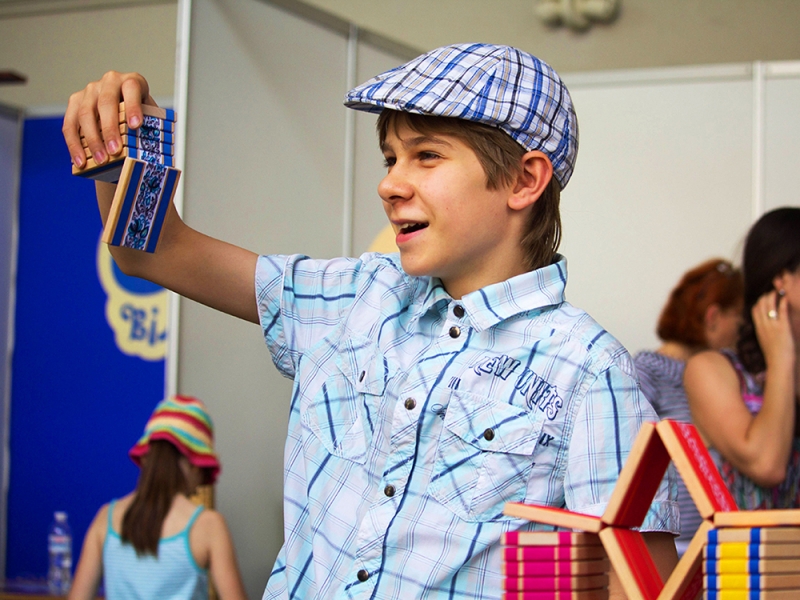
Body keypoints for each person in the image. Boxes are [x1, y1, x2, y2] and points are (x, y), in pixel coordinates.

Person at [63, 43, 678, 599]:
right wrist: (126, 153)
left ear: (524, 180)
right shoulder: (356, 298)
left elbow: (641, 585)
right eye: (390, 158)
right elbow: (151, 252)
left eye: (426, 156)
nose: (389, 184)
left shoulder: (590, 369)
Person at [67, 395, 247, 600]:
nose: (200, 485)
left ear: (146, 458)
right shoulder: (209, 526)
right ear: (194, 465)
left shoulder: (105, 519)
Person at [685, 207, 800, 510]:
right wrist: (781, 358)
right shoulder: (710, 370)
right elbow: (766, 464)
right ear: (781, 279)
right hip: (746, 544)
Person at [633, 258, 743, 554]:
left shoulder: (730, 376)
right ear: (713, 316)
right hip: (670, 548)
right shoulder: (648, 371)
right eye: (738, 317)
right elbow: (631, 459)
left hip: (720, 543)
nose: (740, 330)